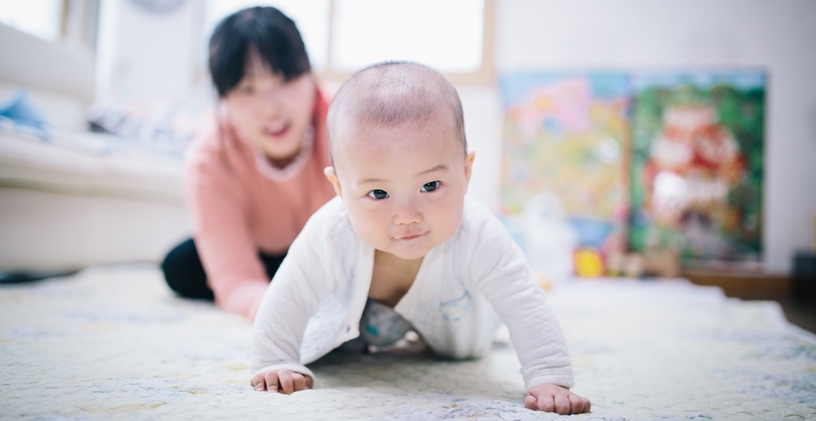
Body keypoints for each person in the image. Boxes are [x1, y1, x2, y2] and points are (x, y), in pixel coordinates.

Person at [249, 61, 591, 415]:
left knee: (505, 297)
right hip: (360, 335)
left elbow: (523, 300)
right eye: (378, 193)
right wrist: (275, 359)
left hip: (462, 329)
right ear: (339, 189)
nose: (407, 215)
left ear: (465, 173)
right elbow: (289, 292)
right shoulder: (330, 232)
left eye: (430, 186)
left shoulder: (477, 233)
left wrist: (548, 376)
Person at [161, 7, 335, 320]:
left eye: (283, 80)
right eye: (247, 89)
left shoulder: (348, 122)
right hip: (264, 252)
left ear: (311, 76)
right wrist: (285, 313)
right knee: (180, 266)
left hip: (337, 251)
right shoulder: (210, 158)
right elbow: (237, 280)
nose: (271, 109)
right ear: (224, 100)